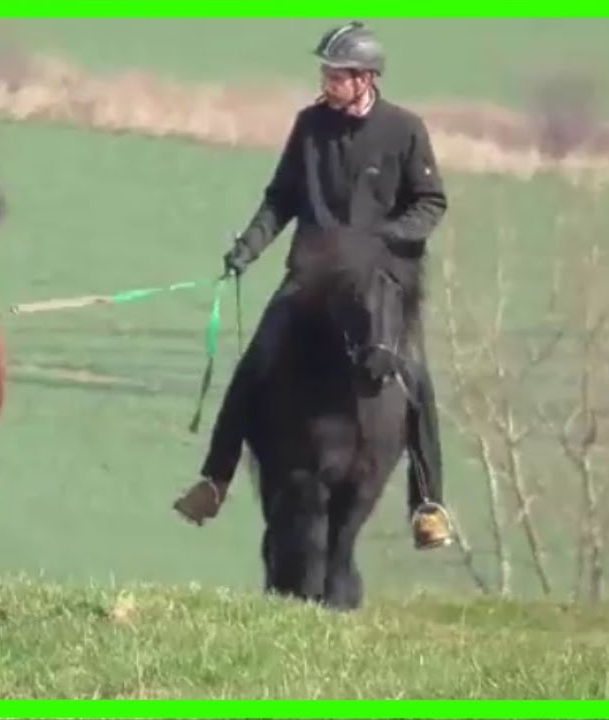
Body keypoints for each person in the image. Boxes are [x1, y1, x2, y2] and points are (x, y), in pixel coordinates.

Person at [171, 20, 454, 550]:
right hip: (311, 274)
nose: (327, 81)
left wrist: (384, 240)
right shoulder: (308, 126)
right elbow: (281, 197)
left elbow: (430, 203)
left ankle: (428, 503)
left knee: (413, 376)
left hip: (379, 277)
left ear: (366, 79)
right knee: (257, 360)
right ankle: (215, 478)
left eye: (338, 74)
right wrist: (248, 249)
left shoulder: (405, 130)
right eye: (325, 72)